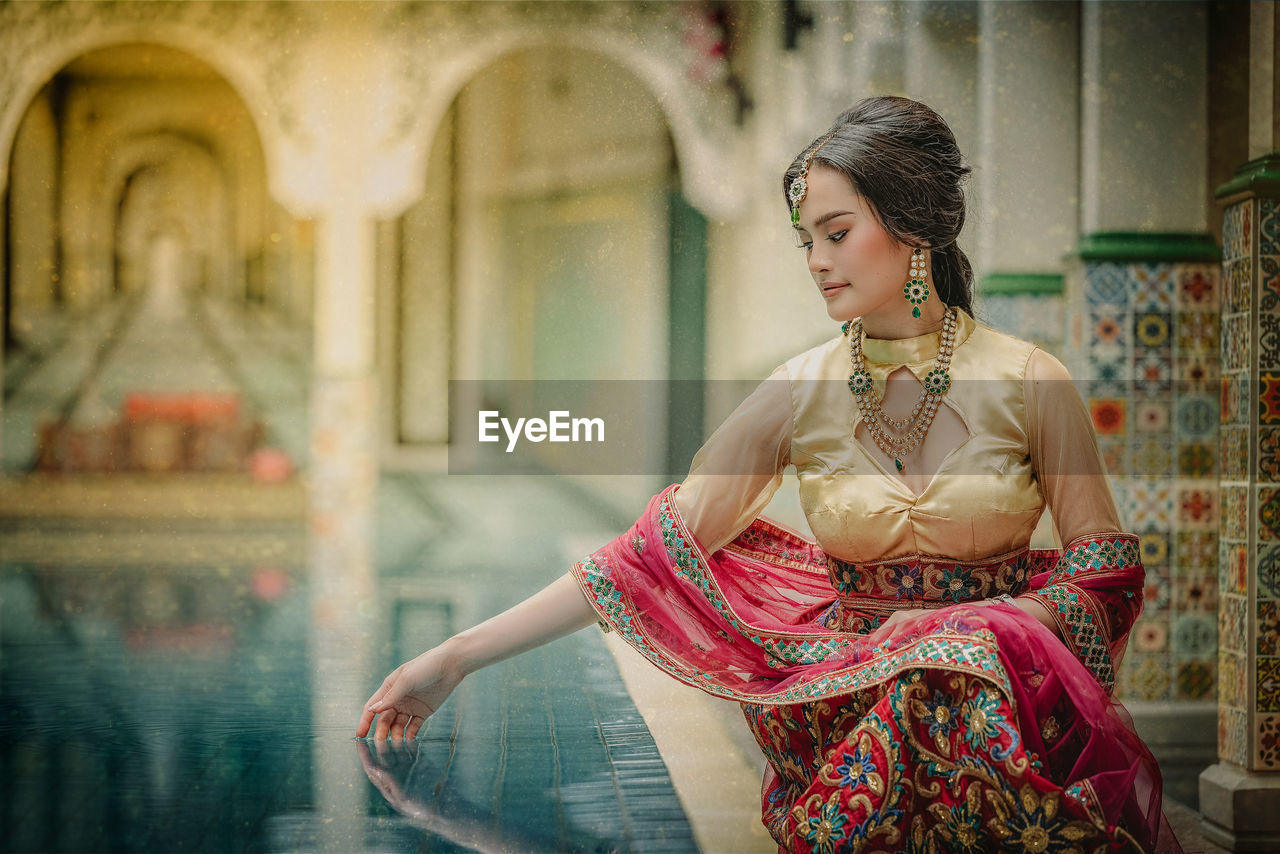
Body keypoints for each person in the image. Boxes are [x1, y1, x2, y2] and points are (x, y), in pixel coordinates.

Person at [358, 96, 1180, 854]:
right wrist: (458, 657)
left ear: (914, 225)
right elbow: (648, 556)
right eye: (807, 242)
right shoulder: (800, 390)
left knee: (950, 688)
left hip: (1002, 723)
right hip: (851, 727)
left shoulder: (1031, 380)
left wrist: (983, 630)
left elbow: (1104, 571)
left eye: (836, 232)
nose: (817, 261)